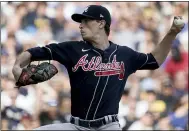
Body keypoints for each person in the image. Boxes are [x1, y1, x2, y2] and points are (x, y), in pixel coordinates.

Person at [12, 5, 185, 130]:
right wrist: (17, 66)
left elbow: (154, 60)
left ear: (101, 23)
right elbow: (34, 53)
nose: (80, 25)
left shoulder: (124, 54)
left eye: (86, 21)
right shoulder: (72, 48)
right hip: (76, 126)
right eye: (80, 22)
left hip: (108, 126)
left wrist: (172, 33)